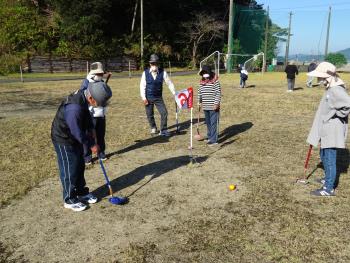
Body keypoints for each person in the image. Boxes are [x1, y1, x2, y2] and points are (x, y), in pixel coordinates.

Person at [51, 82, 112, 211]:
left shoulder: (84, 97)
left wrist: (91, 129)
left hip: (75, 136)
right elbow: (76, 131)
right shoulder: (74, 108)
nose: (100, 106)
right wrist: (91, 144)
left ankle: (81, 191)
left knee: (79, 164)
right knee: (70, 168)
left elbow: (86, 115)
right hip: (64, 138)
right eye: (99, 103)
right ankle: (69, 199)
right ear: (91, 98)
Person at [306, 62, 350, 196]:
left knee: (330, 158)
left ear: (327, 77)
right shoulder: (330, 88)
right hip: (326, 128)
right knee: (323, 154)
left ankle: (328, 188)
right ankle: (327, 179)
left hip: (332, 130)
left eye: (320, 77)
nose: (319, 80)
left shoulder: (336, 89)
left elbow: (347, 105)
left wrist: (335, 114)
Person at [80, 62, 111, 165]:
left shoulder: (100, 81)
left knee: (101, 135)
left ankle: (101, 153)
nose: (101, 76)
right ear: (93, 73)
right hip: (90, 115)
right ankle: (87, 157)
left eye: (102, 74)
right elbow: (83, 97)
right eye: (99, 74)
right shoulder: (86, 83)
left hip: (101, 114)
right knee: (89, 136)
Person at [140, 54, 176, 136]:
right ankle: (153, 128)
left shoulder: (163, 72)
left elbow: (169, 83)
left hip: (158, 97)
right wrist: (144, 98)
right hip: (148, 97)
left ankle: (163, 130)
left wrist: (174, 93)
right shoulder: (145, 73)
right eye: (153, 64)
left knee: (164, 113)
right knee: (149, 114)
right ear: (150, 64)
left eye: (156, 63)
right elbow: (142, 86)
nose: (154, 65)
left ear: (158, 64)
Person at [198, 65, 221, 146]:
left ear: (210, 73)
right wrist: (199, 101)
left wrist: (216, 104)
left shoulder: (215, 81)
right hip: (205, 106)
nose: (205, 75)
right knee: (208, 122)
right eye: (203, 73)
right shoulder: (201, 82)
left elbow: (218, 93)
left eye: (206, 73)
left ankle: (214, 140)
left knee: (213, 123)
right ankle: (210, 136)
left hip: (213, 106)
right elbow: (200, 92)